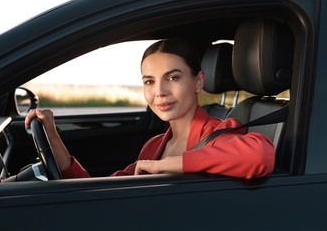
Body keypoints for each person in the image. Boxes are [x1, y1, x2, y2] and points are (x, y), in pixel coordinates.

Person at [25, 38, 275, 179]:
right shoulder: (154, 145)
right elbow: (101, 190)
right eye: (149, 81)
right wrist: (53, 137)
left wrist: (165, 165)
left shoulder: (220, 132)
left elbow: (261, 156)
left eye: (173, 78)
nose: (160, 91)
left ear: (198, 81)